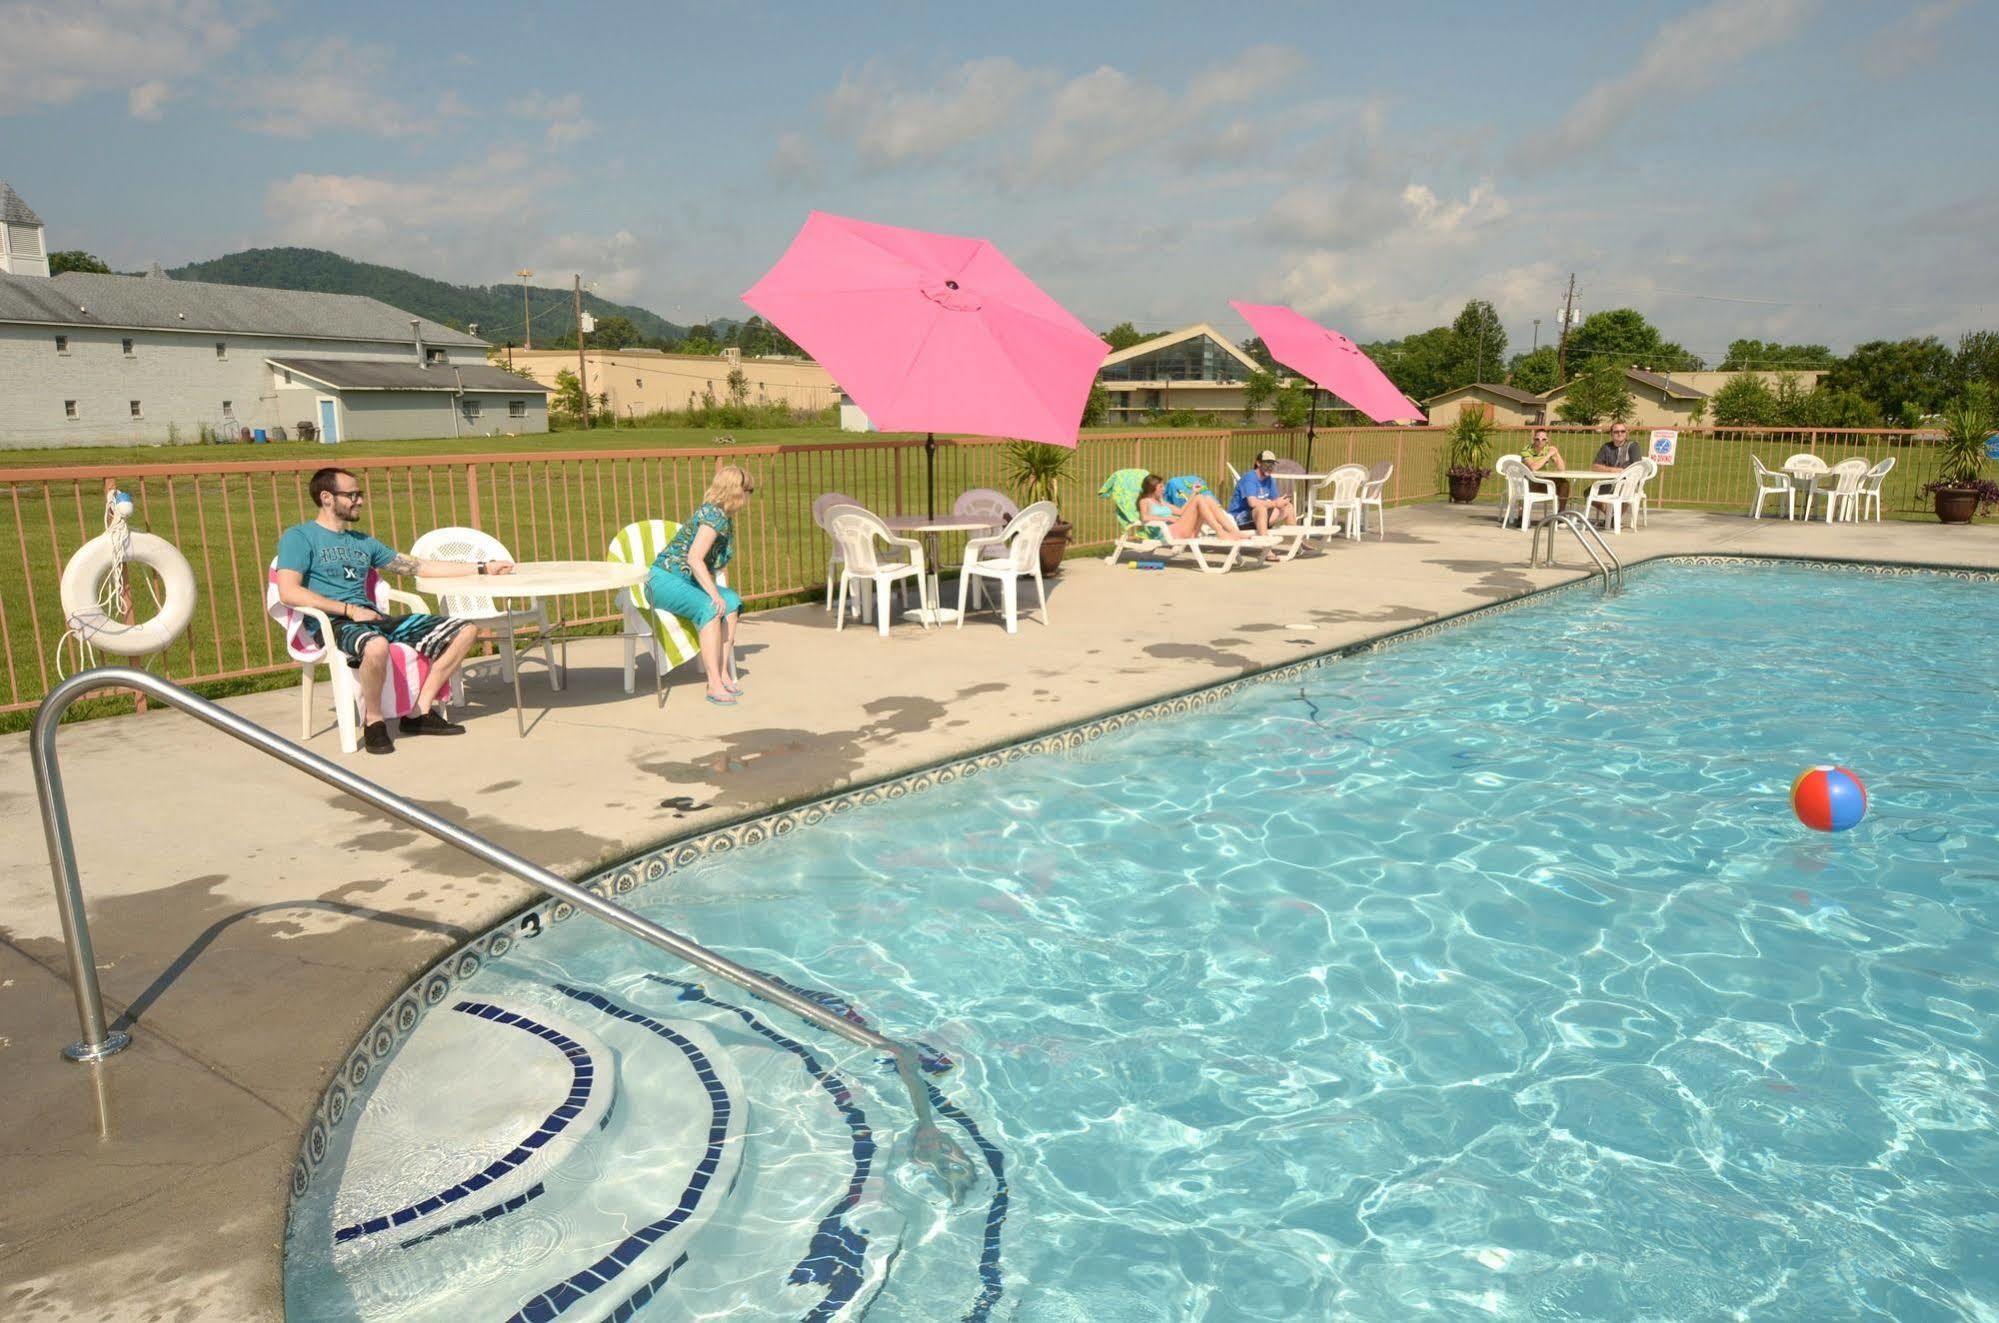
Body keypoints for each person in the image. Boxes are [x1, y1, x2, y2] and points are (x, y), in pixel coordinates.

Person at [275, 467, 511, 754]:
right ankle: (374, 723)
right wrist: (349, 610)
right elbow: (289, 591)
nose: (360, 500)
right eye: (352, 495)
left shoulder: (363, 542)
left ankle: (418, 712)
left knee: (465, 631)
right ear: (326, 497)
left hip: (373, 618)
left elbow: (417, 566)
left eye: (360, 494)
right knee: (375, 646)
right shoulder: (299, 537)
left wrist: (482, 567)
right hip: (335, 622)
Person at [648, 463, 752, 706]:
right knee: (711, 607)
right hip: (664, 580)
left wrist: (720, 594)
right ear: (736, 491)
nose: (750, 496)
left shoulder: (722, 515)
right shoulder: (714, 516)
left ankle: (723, 671)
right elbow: (694, 558)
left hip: (684, 579)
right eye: (749, 490)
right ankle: (713, 683)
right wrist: (714, 594)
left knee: (732, 602)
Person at [1137, 473, 1251, 543]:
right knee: (1200, 498)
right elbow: (1144, 517)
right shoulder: (1145, 501)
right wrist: (1168, 518)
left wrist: (1193, 493)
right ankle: (1220, 531)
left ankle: (1233, 531)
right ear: (1152, 488)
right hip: (1167, 533)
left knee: (1207, 498)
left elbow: (1181, 511)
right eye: (1161, 486)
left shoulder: (1161, 501)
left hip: (1179, 529)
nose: (1164, 489)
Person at [1227, 449, 1297, 540]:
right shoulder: (1250, 477)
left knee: (1288, 507)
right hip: (1238, 519)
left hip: (1257, 517)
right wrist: (1275, 503)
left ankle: (1297, 544)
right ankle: (1266, 549)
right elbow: (1253, 503)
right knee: (1261, 508)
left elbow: (1275, 500)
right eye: (1267, 463)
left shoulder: (1269, 479)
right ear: (1258, 463)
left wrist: (1283, 501)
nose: (1270, 467)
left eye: (1272, 464)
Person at [1523, 427, 1570, 504]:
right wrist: (1548, 456)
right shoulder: (1527, 450)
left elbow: (1562, 469)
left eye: (1543, 439)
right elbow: (1533, 467)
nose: (1540, 441)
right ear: (1533, 439)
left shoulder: (1547, 449)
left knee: (1564, 483)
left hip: (1542, 481)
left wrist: (1556, 453)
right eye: (1537, 439)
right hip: (1529, 484)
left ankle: (1561, 512)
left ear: (1547, 440)